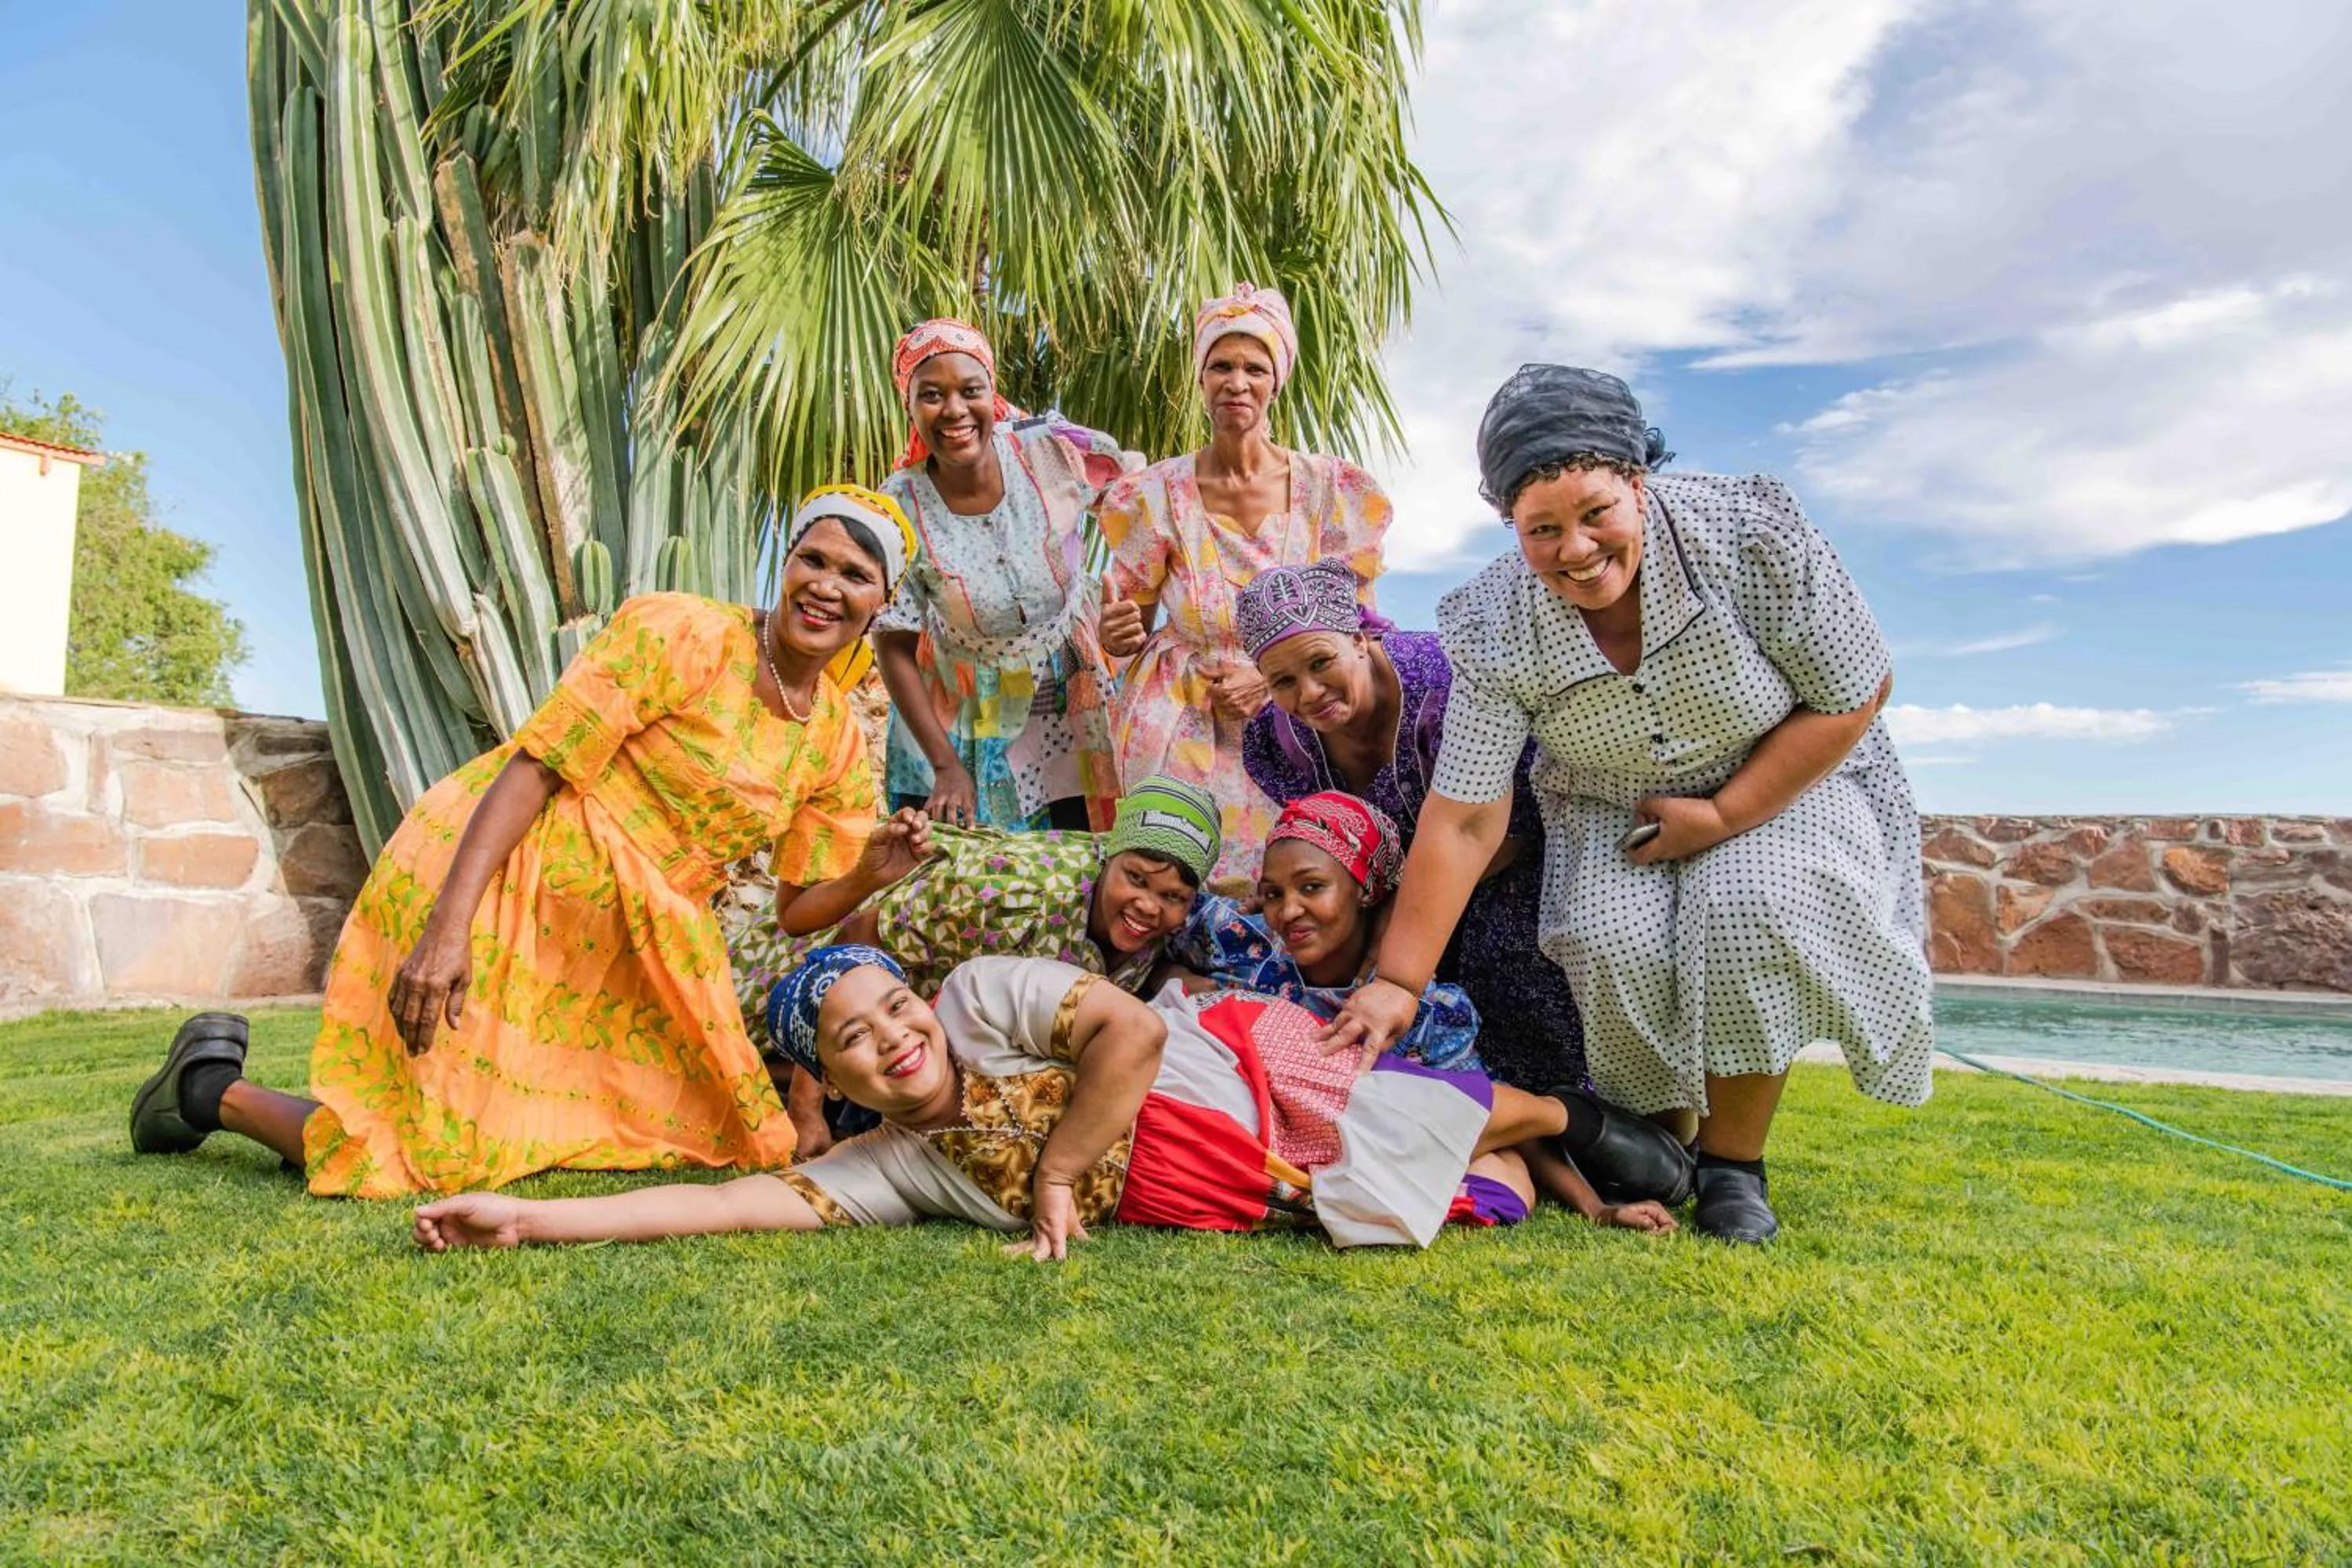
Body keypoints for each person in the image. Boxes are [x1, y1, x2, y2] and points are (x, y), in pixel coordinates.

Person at [126, 487, 936, 1197]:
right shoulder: (683, 634)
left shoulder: (833, 739)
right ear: (787, 561)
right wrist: (447, 930)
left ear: (881, 601)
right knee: (433, 1153)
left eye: (855, 575)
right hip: (517, 878)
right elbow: (537, 767)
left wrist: (870, 872)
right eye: (813, 559)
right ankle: (208, 1089)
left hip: (644, 940)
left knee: (736, 1141)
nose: (826, 586)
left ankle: (212, 1085)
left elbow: (800, 913)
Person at [1320, 366, 1936, 1245]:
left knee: (1746, 906)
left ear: (1638, 482)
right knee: (1615, 940)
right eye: (1542, 529)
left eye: (1596, 513)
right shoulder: (1497, 621)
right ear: (1510, 525)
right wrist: (1396, 982)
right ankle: (1664, 1144)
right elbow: (1465, 815)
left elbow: (1855, 686)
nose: (1574, 549)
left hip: (1784, 770)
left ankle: (1734, 1165)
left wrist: (1723, 815)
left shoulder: (1747, 533)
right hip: (1613, 796)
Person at [412, 947, 1682, 1261]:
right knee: (1454, 1193)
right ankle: (1583, 1181)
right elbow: (734, 1198)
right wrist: (536, 1224)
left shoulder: (978, 994)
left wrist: (1063, 1173)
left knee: (1409, 1114)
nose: (893, 1037)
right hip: (1245, 1193)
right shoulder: (899, 1165)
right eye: (851, 1041)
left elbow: (1128, 1030)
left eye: (890, 1006)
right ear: (835, 1083)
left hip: (1235, 1082)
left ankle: (1583, 1127)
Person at [1236, 557, 1588, 1091]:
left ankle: (1582, 1136)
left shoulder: (1448, 684)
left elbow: (1501, 828)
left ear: (1359, 638)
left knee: (1522, 991)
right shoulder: (1278, 741)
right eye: (1282, 681)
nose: (1308, 694)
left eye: (1320, 662)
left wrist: (1399, 915)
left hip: (1513, 867)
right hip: (1390, 899)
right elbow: (1326, 842)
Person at [724, 775, 1222, 1152]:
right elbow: (853, 951)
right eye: (1134, 879)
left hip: (906, 1034)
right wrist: (807, 1112)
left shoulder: (1161, 927)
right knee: (733, 1076)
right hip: (791, 985)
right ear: (1106, 857)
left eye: (1172, 896)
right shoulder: (1016, 892)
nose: (1148, 906)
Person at [1097, 283, 1392, 882]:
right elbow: (1133, 624)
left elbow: (1358, 626)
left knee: (1294, 874)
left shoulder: (1331, 492)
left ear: (1275, 381)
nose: (1237, 382)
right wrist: (1118, 631)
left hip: (1300, 710)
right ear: (1200, 380)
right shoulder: (1154, 495)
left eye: (1254, 368)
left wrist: (1268, 678)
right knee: (1175, 873)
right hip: (1182, 714)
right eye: (1221, 366)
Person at [877, 318, 1145, 833]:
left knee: (1088, 839)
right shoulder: (901, 504)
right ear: (909, 406)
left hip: (1074, 672)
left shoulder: (1045, 450)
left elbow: (1137, 508)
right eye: (931, 395)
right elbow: (893, 643)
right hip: (969, 704)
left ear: (991, 393)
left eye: (970, 390)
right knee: (993, 863)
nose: (954, 410)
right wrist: (945, 766)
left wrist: (1127, 604)